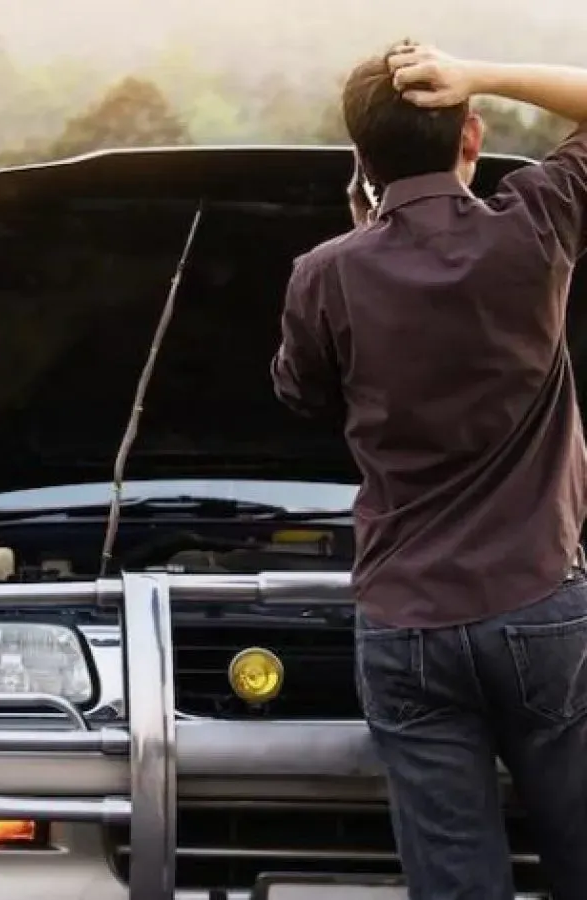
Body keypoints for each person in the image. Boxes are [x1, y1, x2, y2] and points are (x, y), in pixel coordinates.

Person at [271, 43, 587, 899]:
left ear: (361, 164)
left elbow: (299, 393)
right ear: (472, 135)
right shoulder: (536, 223)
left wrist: (362, 234)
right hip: (542, 608)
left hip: (407, 624)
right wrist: (478, 72)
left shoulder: (323, 274)